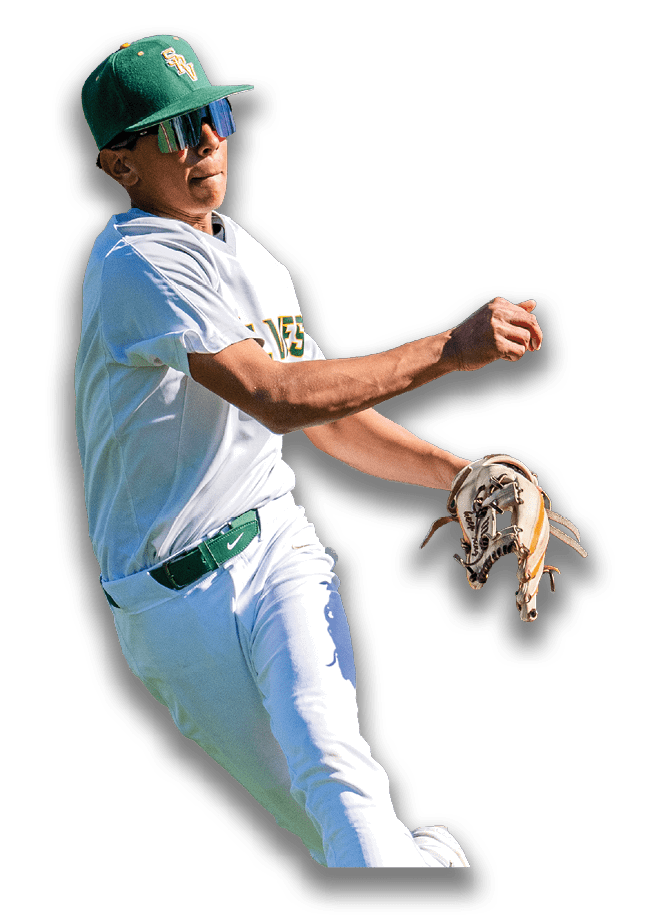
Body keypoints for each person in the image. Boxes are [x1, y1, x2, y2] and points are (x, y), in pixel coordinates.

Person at [76, 34, 542, 870]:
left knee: (338, 775)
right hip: (165, 608)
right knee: (333, 830)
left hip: (275, 547)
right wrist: (449, 349)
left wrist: (458, 473)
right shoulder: (133, 260)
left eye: (212, 114)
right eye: (173, 129)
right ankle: (438, 862)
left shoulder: (252, 258)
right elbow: (275, 395)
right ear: (120, 166)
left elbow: (324, 416)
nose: (206, 140)